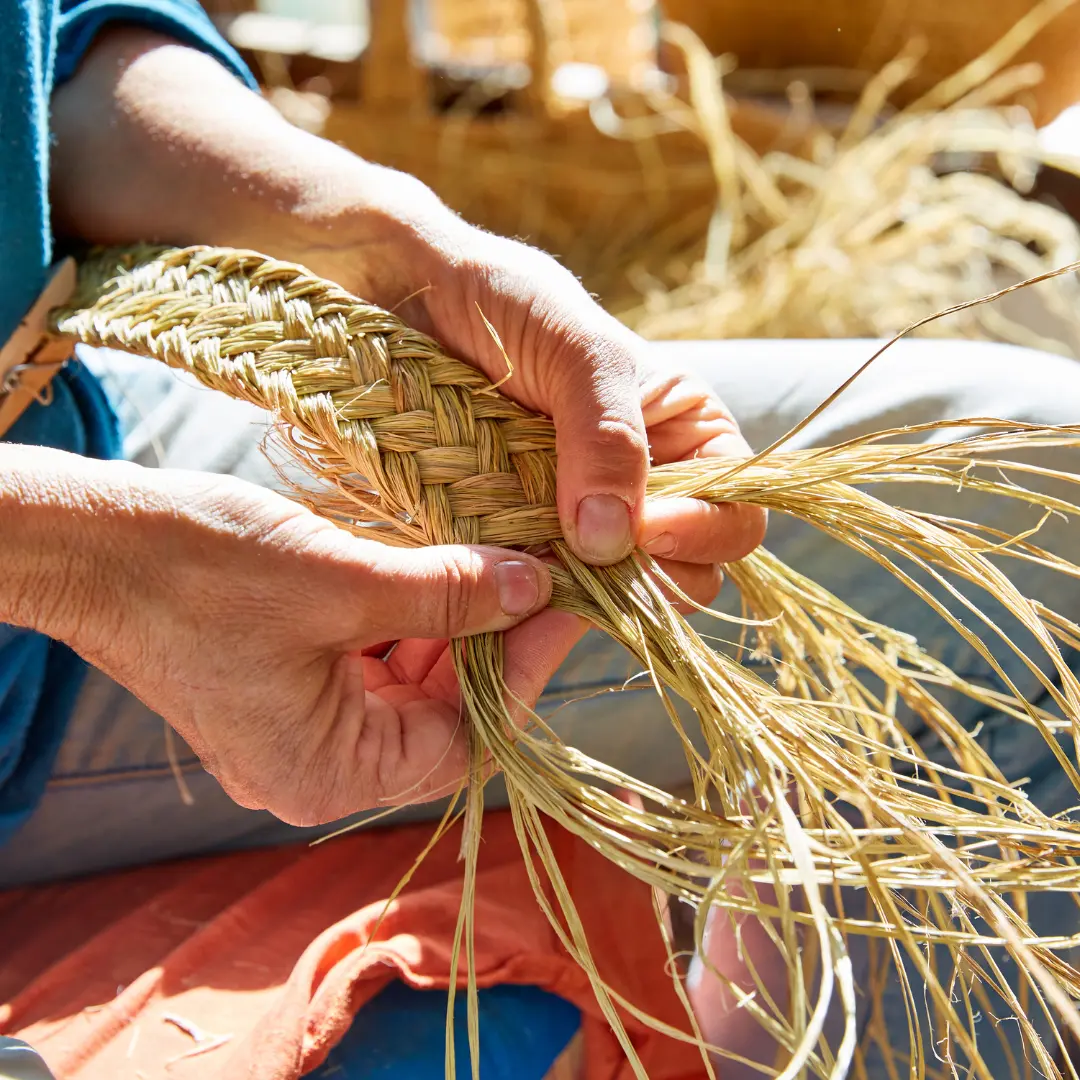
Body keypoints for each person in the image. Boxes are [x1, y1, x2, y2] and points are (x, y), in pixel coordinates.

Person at [3, 3, 1080, 1079]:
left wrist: (379, 237)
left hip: (74, 414)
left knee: (1050, 482)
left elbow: (53, 58)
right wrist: (89, 566)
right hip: (27, 643)